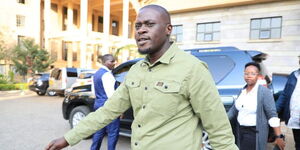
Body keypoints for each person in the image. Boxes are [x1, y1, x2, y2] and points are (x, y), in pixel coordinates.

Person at [45, 4, 238, 150]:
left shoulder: (192, 69)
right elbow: (107, 112)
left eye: (149, 24)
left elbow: (219, 132)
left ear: (168, 29)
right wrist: (68, 138)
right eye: (137, 26)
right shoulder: (137, 70)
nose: (141, 30)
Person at [227, 62, 285, 150]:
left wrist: (279, 136)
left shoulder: (264, 92)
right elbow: (233, 111)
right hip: (240, 131)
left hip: (254, 133)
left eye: (252, 74)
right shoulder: (242, 91)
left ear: (258, 76)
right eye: (246, 73)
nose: (249, 76)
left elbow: (272, 115)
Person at [91, 54, 119, 150]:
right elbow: (112, 96)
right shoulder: (107, 75)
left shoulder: (97, 74)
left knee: (99, 132)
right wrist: (119, 110)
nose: (114, 63)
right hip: (109, 108)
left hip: (98, 105)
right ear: (105, 62)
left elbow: (94, 91)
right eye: (111, 61)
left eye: (114, 61)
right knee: (112, 133)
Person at [276, 56, 300, 150]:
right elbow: (285, 94)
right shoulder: (294, 75)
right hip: (295, 119)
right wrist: (275, 110)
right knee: (298, 144)